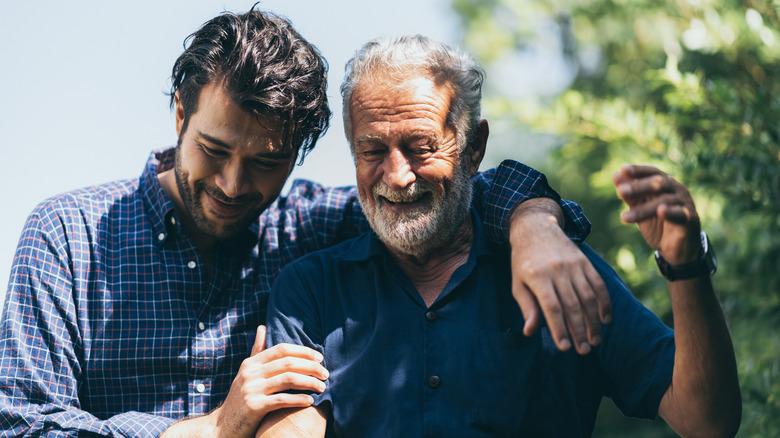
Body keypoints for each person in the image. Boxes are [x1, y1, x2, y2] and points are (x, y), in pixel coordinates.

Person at [0, 7, 610, 438]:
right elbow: (23, 426)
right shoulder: (66, 236)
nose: (234, 186)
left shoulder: (310, 228)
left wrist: (535, 223)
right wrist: (211, 430)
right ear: (180, 113)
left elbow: (448, 189)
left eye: (266, 163)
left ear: (299, 152)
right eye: (214, 150)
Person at [259, 35, 741, 437]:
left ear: (474, 148)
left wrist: (687, 264)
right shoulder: (310, 290)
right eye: (371, 150)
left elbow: (707, 420)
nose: (398, 175)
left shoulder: (559, 266)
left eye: (421, 147)